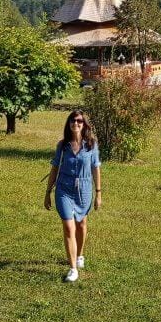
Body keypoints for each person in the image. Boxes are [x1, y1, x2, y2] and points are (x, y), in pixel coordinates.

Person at [44, 110, 102, 282]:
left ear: (84, 124)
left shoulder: (91, 145)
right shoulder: (62, 145)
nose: (75, 123)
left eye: (79, 121)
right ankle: (73, 269)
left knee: (81, 224)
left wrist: (98, 193)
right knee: (69, 227)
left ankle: (79, 255)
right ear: (68, 123)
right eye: (72, 120)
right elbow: (54, 168)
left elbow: (96, 168)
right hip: (64, 189)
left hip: (84, 189)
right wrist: (47, 193)